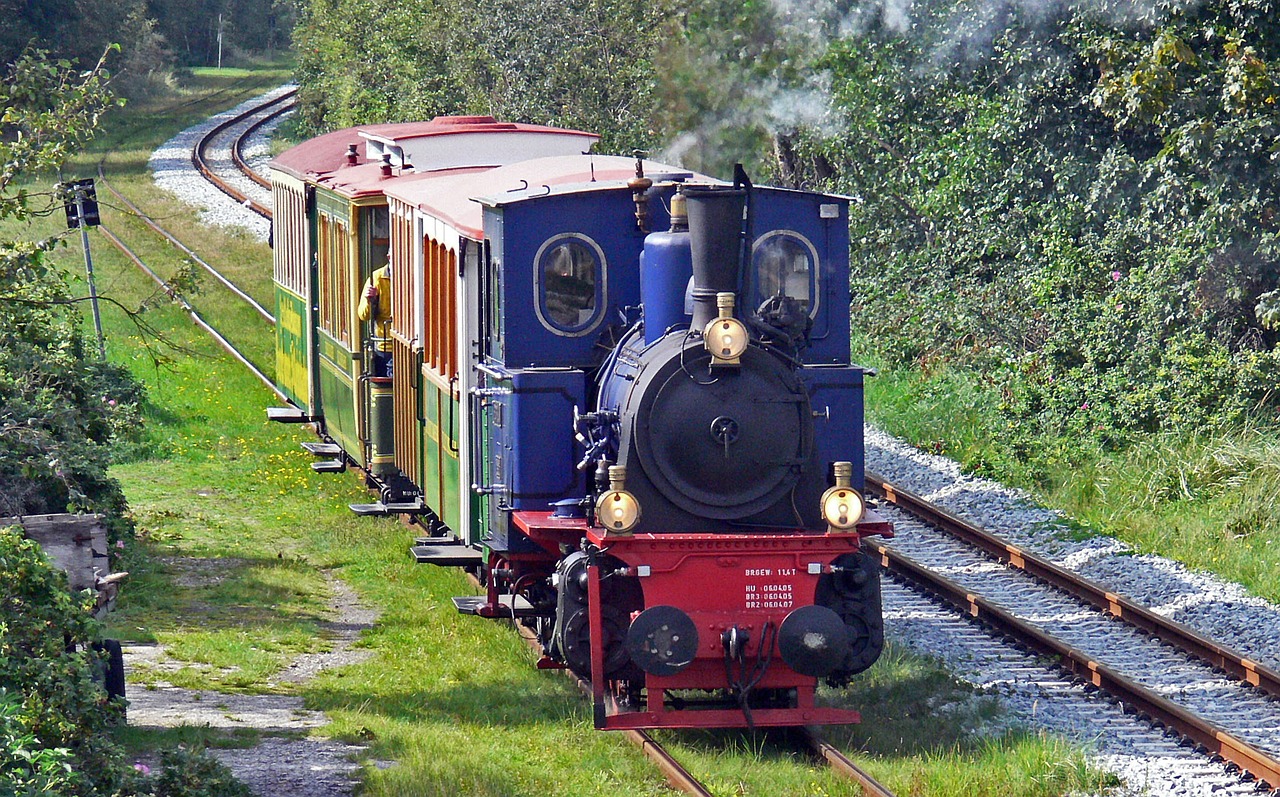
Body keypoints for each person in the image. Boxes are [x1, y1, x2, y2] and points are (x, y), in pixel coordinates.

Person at [357, 262, 392, 377]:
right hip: (385, 347)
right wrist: (370, 301)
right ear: (389, 257)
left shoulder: (411, 276)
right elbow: (363, 315)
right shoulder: (377, 278)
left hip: (408, 345)